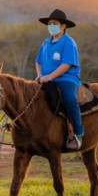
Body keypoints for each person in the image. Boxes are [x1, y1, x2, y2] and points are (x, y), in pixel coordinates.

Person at [35, 9, 84, 151]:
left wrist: (50, 76)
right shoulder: (46, 43)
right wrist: (39, 75)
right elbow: (38, 61)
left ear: (63, 26)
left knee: (69, 99)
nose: (51, 26)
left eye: (54, 23)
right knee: (28, 96)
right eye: (49, 24)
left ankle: (78, 133)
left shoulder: (68, 42)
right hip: (45, 79)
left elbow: (66, 64)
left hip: (66, 78)